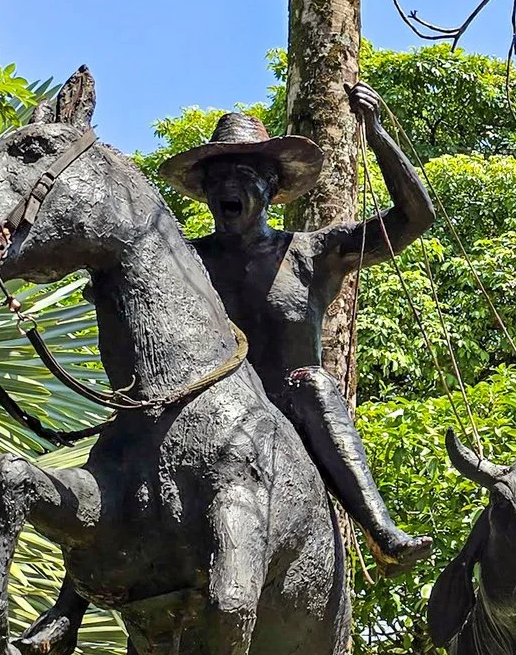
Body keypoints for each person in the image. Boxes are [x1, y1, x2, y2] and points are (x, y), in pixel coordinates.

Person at [160, 82, 435, 574]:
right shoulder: (186, 261)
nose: (227, 186)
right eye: (215, 178)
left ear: (271, 189)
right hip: (205, 410)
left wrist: (376, 136)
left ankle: (381, 530)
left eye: (243, 175)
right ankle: (74, 595)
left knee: (313, 383)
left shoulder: (312, 253)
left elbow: (415, 217)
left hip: (290, 411)